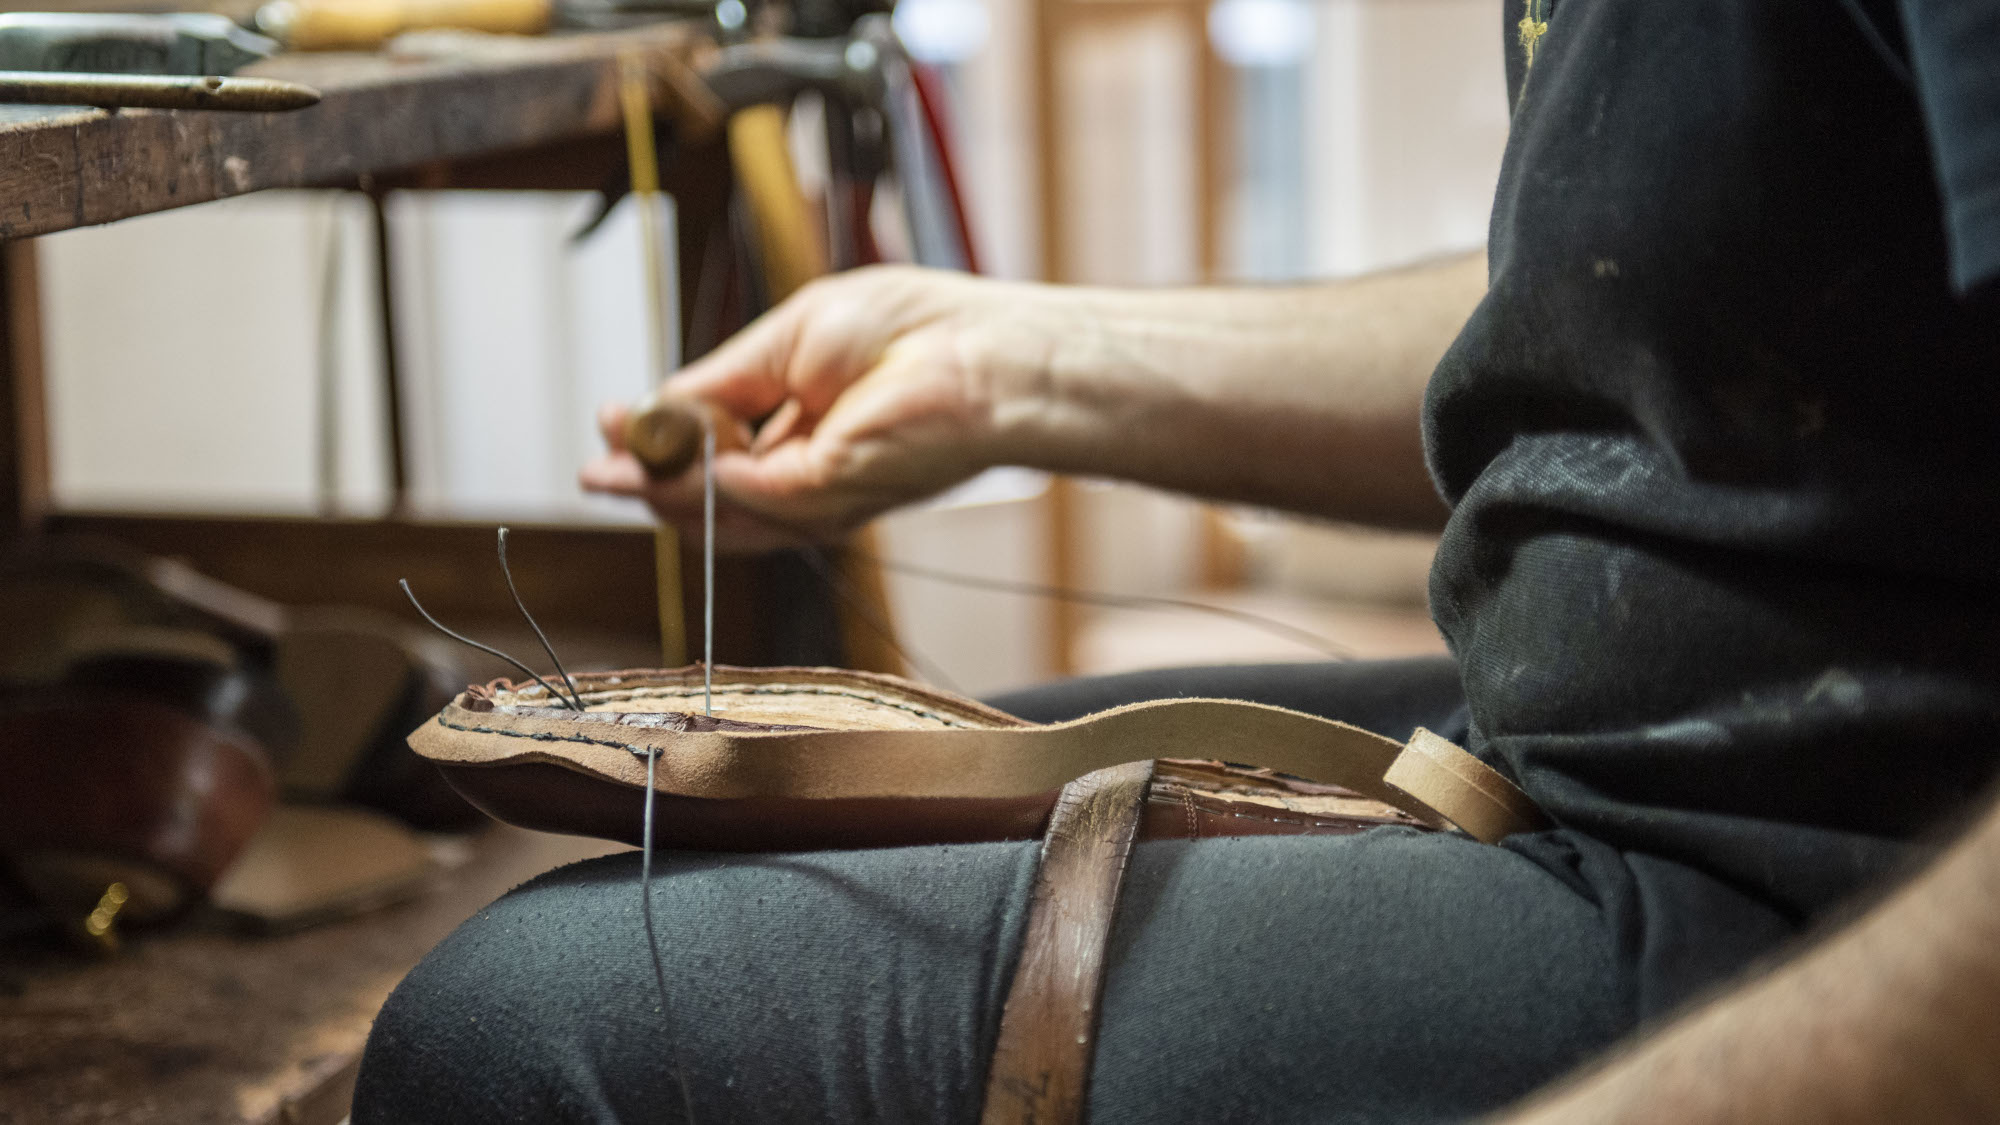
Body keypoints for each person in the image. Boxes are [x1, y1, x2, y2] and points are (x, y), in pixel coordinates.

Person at [352, 2, 2000, 1121]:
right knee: (855, 804)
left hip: (1831, 881)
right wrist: (1009, 365)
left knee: (522, 1035)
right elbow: (1668, 310)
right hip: (1619, 742)